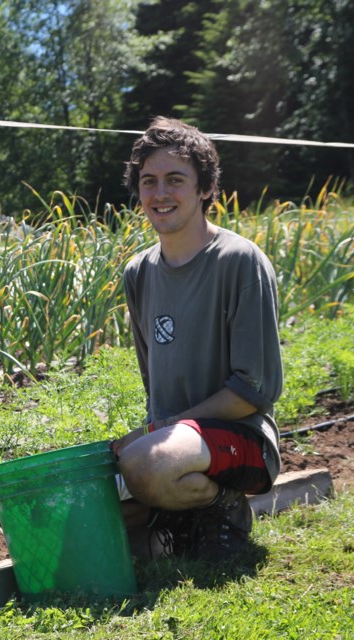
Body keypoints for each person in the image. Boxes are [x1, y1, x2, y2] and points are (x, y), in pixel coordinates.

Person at [111, 117, 283, 561]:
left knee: (145, 465)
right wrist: (156, 432)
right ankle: (178, 518)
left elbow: (252, 391)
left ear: (205, 188)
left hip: (241, 438)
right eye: (149, 181)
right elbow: (155, 379)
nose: (160, 194)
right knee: (94, 493)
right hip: (174, 442)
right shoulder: (139, 272)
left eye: (175, 179)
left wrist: (160, 433)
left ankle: (222, 507)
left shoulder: (239, 261)